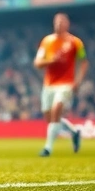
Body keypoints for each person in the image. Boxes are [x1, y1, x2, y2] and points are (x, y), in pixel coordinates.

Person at [33, 12, 86, 156]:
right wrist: (51, 60)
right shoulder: (47, 41)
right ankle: (74, 132)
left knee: (56, 110)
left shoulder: (75, 42)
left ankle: (47, 148)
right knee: (49, 118)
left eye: (62, 22)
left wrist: (78, 81)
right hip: (49, 84)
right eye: (56, 22)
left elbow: (83, 62)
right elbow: (37, 63)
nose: (59, 24)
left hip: (66, 84)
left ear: (67, 24)